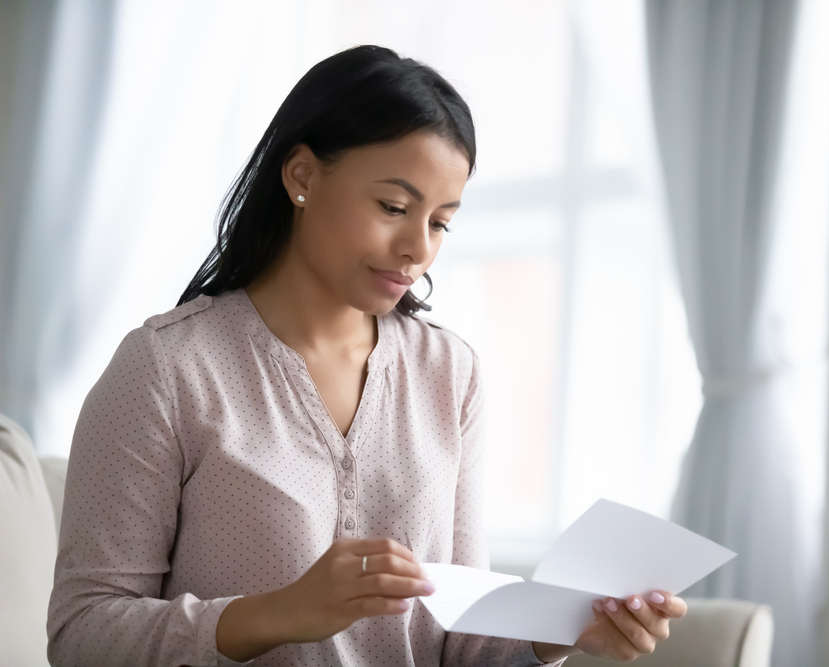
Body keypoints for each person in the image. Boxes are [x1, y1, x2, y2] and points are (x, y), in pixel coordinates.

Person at [47, 45, 686, 666]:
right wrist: (279, 613)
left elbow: (459, 639)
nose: (418, 248)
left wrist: (562, 631)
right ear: (301, 176)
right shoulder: (167, 368)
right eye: (394, 207)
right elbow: (81, 636)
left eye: (440, 221)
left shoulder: (449, 373)